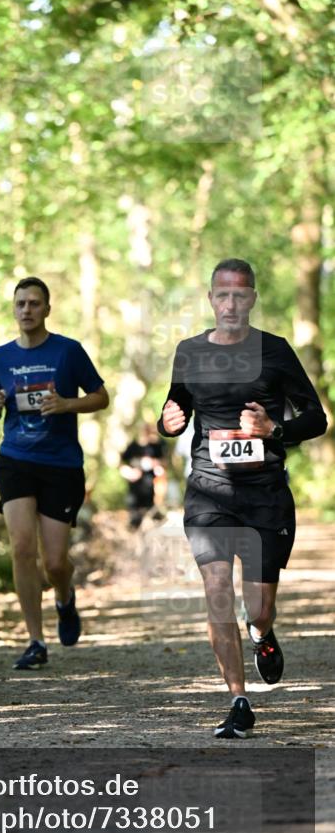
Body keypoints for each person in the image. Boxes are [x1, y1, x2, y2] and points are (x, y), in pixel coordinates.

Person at [158, 259, 327, 739]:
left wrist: (275, 429)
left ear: (251, 299)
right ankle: (238, 700)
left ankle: (262, 633)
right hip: (209, 492)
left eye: (240, 295)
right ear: (211, 299)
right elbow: (175, 409)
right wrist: (165, 422)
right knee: (216, 592)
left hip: (265, 496)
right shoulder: (189, 351)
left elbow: (316, 418)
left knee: (258, 608)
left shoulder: (273, 352)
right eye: (222, 295)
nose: (230, 304)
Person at [0, 277, 109, 670]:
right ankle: (35, 640)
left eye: (34, 303)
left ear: (47, 309)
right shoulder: (0, 357)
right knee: (21, 547)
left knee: (54, 563)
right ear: (14, 309)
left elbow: (101, 396)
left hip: (61, 464)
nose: (27, 310)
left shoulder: (67, 351)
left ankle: (65, 597)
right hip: (15, 460)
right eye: (20, 304)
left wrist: (67, 404)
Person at [120, 424, 167, 529]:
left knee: (155, 518)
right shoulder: (132, 447)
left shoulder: (156, 447)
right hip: (134, 491)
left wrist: (154, 463)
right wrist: (128, 471)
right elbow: (121, 463)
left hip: (150, 489)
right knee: (134, 521)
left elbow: (164, 463)